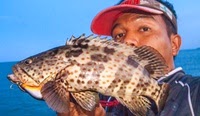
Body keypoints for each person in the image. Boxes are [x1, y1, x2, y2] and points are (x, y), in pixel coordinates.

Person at [58, 0, 200, 115]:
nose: (127, 40)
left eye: (144, 29)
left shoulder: (193, 93)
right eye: (119, 35)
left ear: (174, 45)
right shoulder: (98, 97)